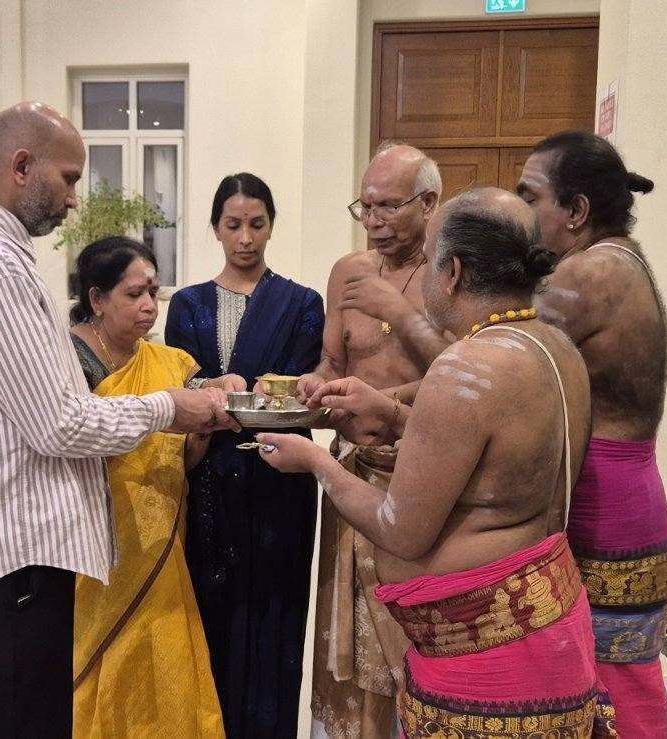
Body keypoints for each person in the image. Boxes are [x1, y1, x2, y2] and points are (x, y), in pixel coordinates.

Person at [0, 101, 238, 737]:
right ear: (21, 166)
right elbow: (59, 423)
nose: (75, 200)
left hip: (4, 548)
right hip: (10, 554)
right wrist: (171, 406)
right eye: (69, 178)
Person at [259, 187, 613, 738]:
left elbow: (399, 529)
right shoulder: (555, 346)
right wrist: (390, 412)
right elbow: (492, 454)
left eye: (428, 260)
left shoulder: (466, 364)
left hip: (487, 658)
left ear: (452, 272)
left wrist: (315, 464)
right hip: (549, 625)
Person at [298, 143, 454, 738]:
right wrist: (315, 384)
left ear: (429, 203)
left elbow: (463, 371)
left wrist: (398, 313)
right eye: (365, 207)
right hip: (351, 471)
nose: (374, 222)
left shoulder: (451, 273)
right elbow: (332, 360)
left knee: (408, 630)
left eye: (389, 207)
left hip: (419, 473)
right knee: (352, 633)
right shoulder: (348, 271)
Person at [519, 130, 667, 738]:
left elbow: (492, 353)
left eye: (530, 198)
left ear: (576, 210)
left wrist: (397, 310)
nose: (521, 213)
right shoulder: (619, 259)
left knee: (613, 694)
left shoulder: (591, 272)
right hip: (622, 494)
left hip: (606, 506)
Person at [164, 173, 324, 738]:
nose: (246, 238)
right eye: (233, 225)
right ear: (215, 228)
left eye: (257, 224)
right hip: (210, 480)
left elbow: (300, 391)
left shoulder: (302, 304)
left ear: (271, 225)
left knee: (276, 612)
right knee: (211, 612)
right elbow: (178, 383)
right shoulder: (187, 305)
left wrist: (243, 393)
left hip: (281, 473)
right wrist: (213, 387)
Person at [66, 236, 227, 738]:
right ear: (97, 299)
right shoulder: (68, 362)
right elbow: (67, 441)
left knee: (162, 647)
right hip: (90, 543)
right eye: (134, 294)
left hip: (159, 543)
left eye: (153, 293)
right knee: (101, 656)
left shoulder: (168, 363)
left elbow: (184, 457)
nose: (149, 306)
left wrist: (207, 422)